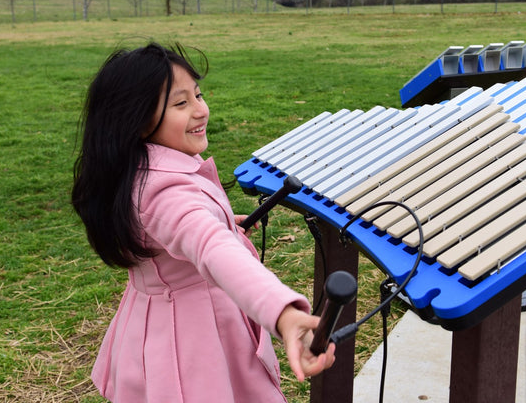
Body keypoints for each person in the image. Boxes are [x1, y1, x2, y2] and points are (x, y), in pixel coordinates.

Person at [71, 42, 335, 402]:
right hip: (191, 343)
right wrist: (284, 315)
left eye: (198, 95)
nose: (200, 110)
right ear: (136, 119)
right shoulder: (163, 192)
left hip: (163, 323)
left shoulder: (137, 169)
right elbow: (212, 248)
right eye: (181, 103)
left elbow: (191, 233)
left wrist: (225, 221)